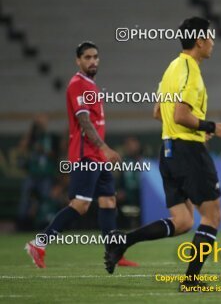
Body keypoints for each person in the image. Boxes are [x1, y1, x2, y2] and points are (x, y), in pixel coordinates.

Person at [104, 17, 221, 291]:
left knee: (184, 221)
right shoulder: (191, 71)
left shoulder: (171, 68)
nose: (212, 43)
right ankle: (191, 280)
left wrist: (194, 128)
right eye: (210, 38)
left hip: (169, 150)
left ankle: (123, 241)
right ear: (199, 41)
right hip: (188, 152)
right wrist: (212, 127)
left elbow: (157, 113)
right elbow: (181, 114)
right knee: (213, 217)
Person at [25, 41, 137, 268]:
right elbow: (84, 121)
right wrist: (104, 147)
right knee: (81, 205)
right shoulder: (77, 84)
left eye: (95, 56)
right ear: (78, 61)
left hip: (97, 156)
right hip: (86, 155)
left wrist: (102, 151)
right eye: (87, 57)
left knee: (108, 200)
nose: (92, 61)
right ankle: (39, 243)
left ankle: (113, 251)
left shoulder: (91, 85)